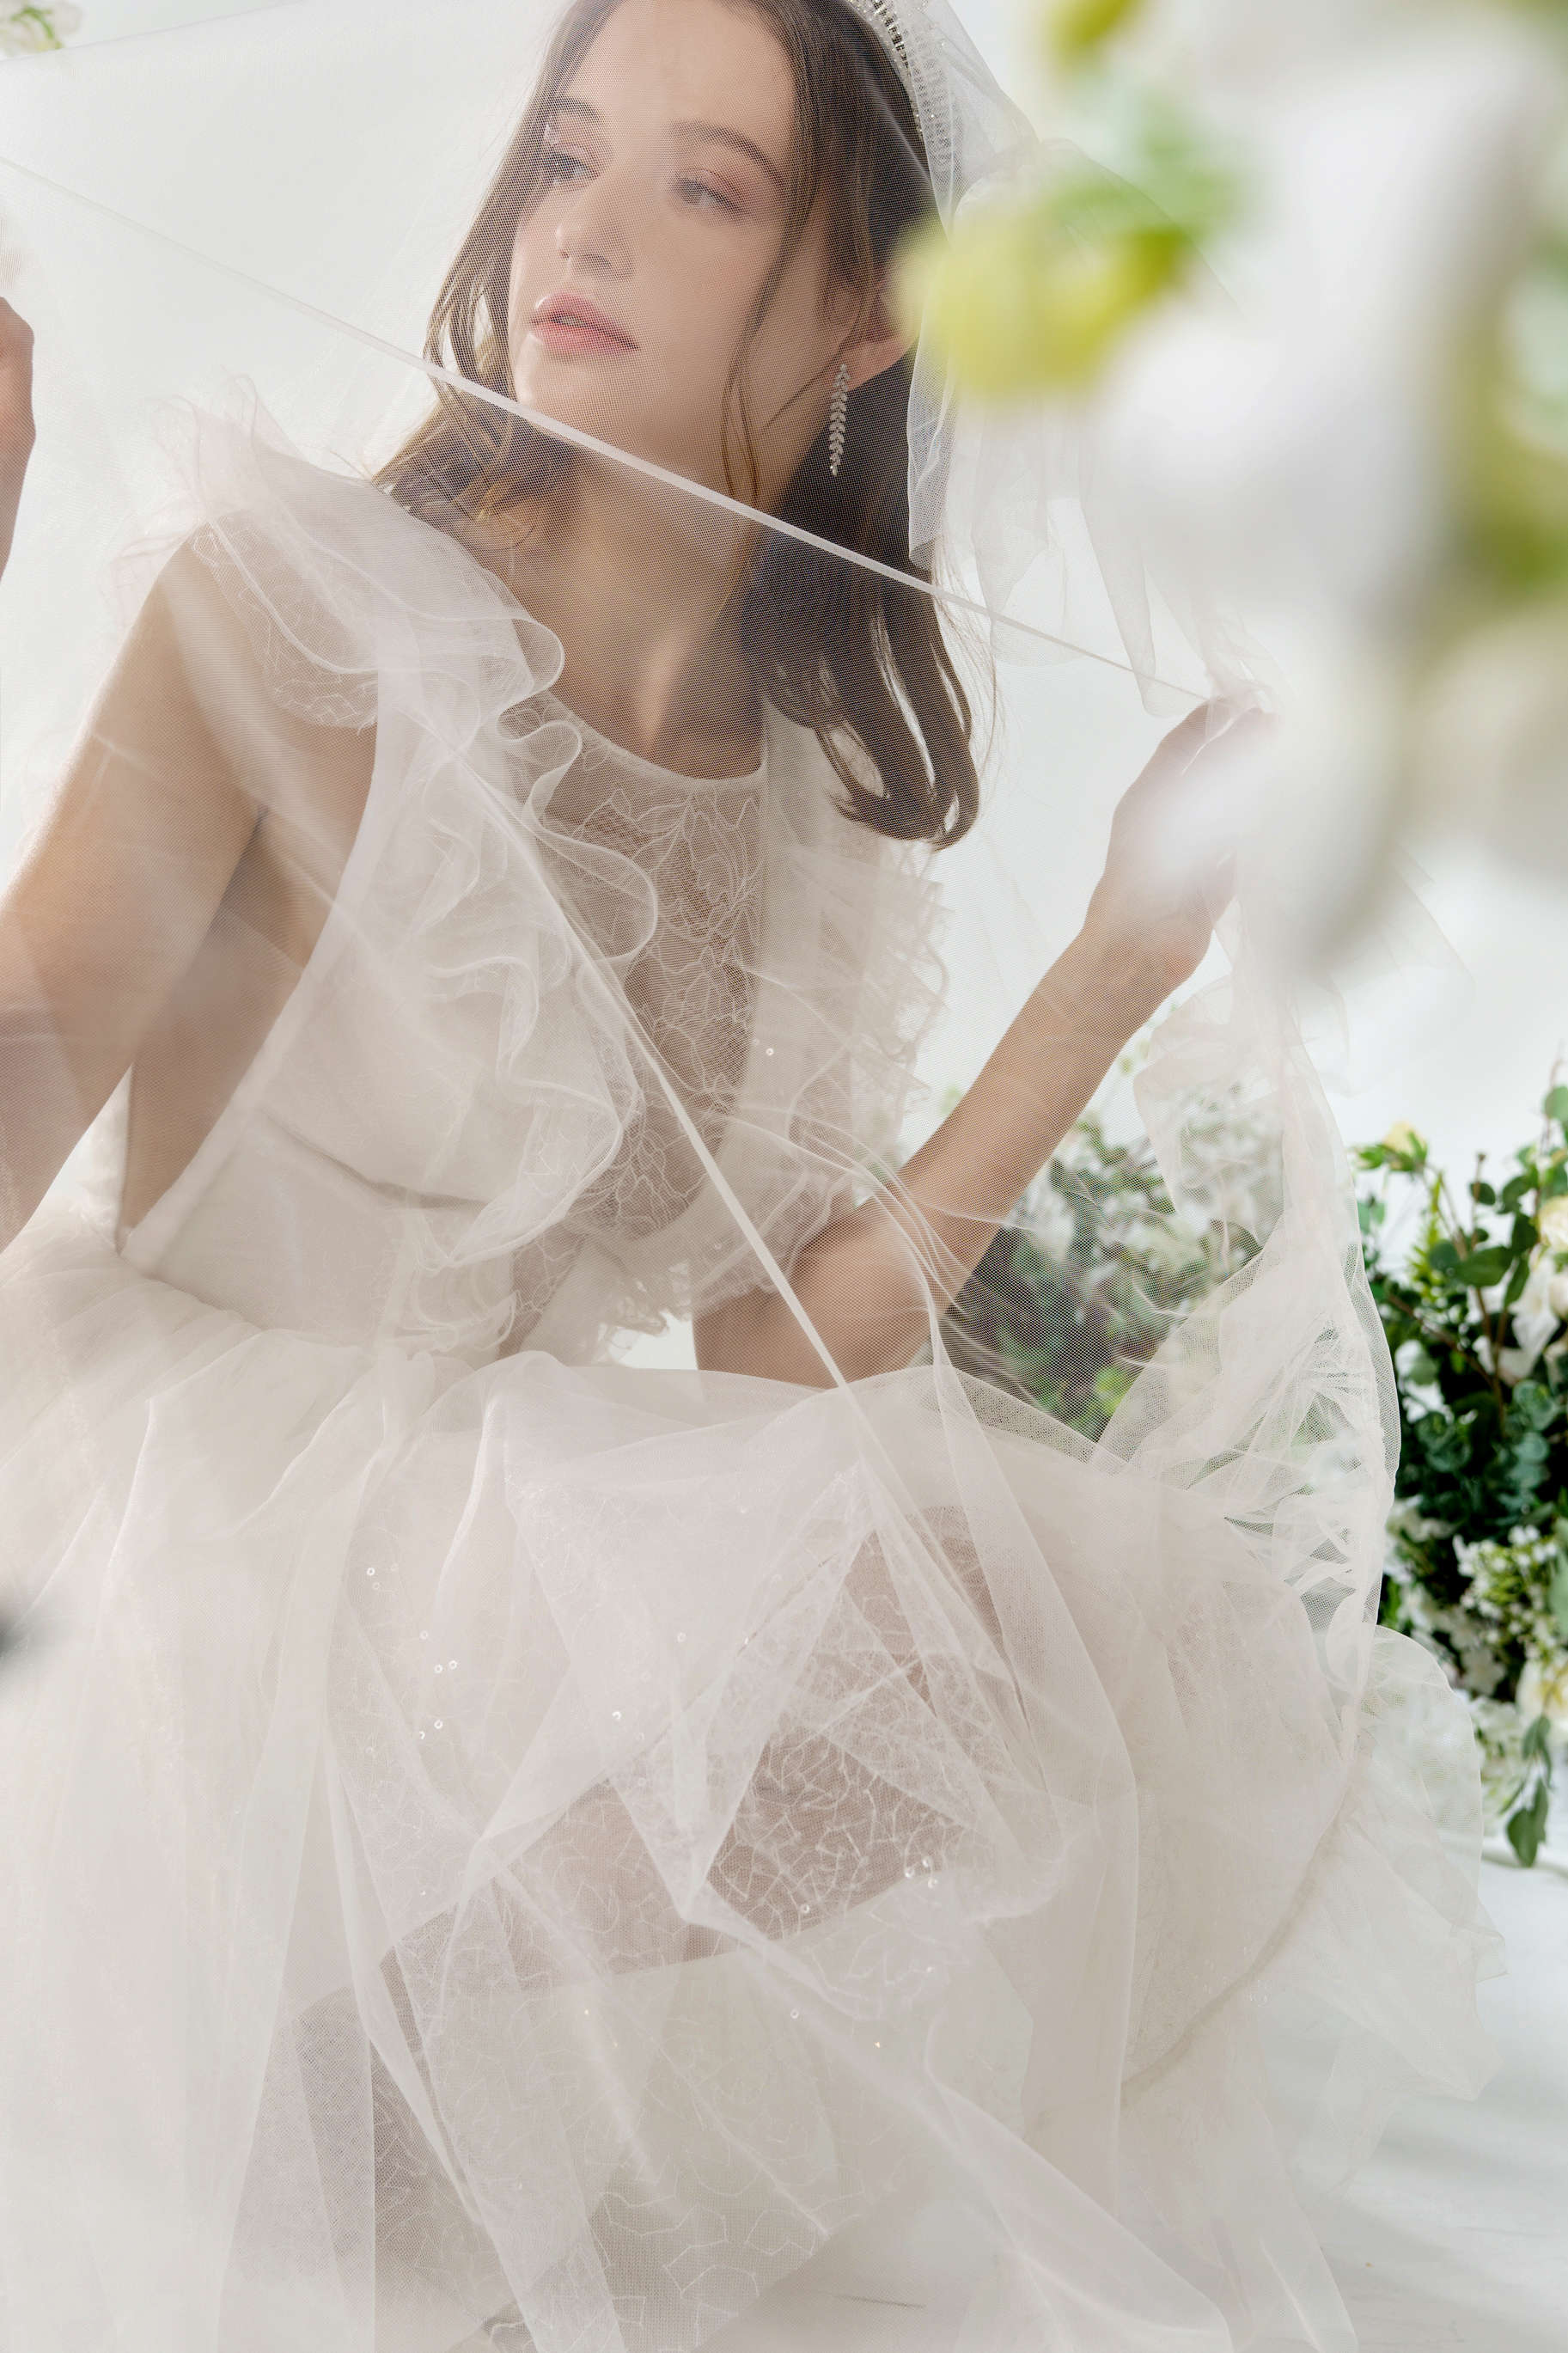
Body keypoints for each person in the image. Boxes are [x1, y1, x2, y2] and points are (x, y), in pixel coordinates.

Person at [0, 2, 1497, 2348]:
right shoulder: (293, 610)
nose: (582, 231)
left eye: (700, 187)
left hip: (463, 1546)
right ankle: (283, 2090)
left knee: (1064, 1614)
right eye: (565, 154)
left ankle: (374, 2072)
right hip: (187, 1513)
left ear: (864, 314)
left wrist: (1113, 965)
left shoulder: (801, 794)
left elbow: (771, 1353)